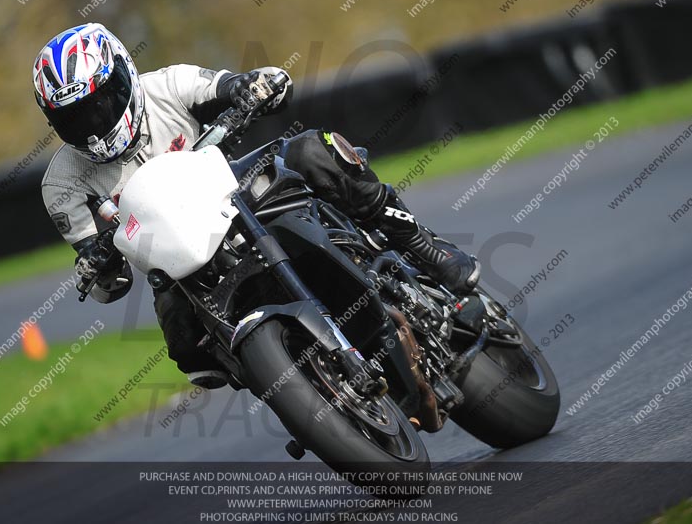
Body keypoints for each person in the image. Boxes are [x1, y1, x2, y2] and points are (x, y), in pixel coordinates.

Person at [35, 23, 479, 389]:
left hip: (237, 193)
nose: (94, 124)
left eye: (100, 103)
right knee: (191, 355)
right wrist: (95, 264)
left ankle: (421, 245)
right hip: (181, 262)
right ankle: (300, 385)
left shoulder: (168, 85)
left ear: (125, 77)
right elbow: (108, 286)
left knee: (311, 151)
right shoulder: (62, 184)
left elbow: (238, 85)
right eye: (76, 117)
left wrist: (253, 86)